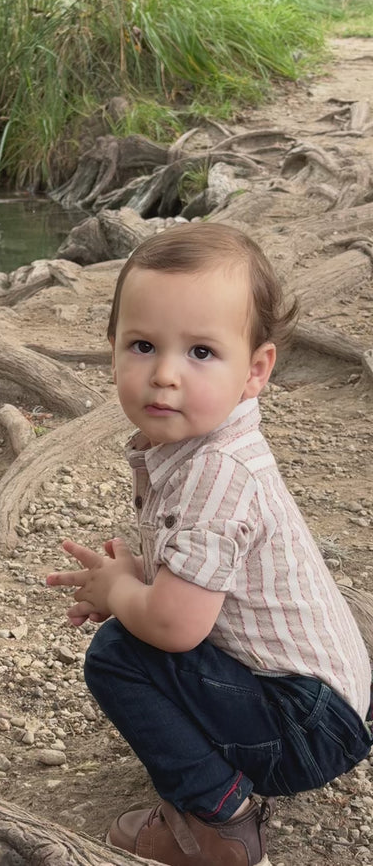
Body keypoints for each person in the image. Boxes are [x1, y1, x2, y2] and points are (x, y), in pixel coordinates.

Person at [46, 223, 372, 866]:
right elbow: (208, 579)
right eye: (143, 345)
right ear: (111, 350)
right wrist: (138, 573)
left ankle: (221, 819)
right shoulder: (201, 446)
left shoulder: (217, 473)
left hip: (306, 725)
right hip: (322, 706)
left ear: (255, 371)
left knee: (118, 654)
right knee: (137, 636)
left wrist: (124, 593)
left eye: (200, 352)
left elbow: (174, 626)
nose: (164, 374)